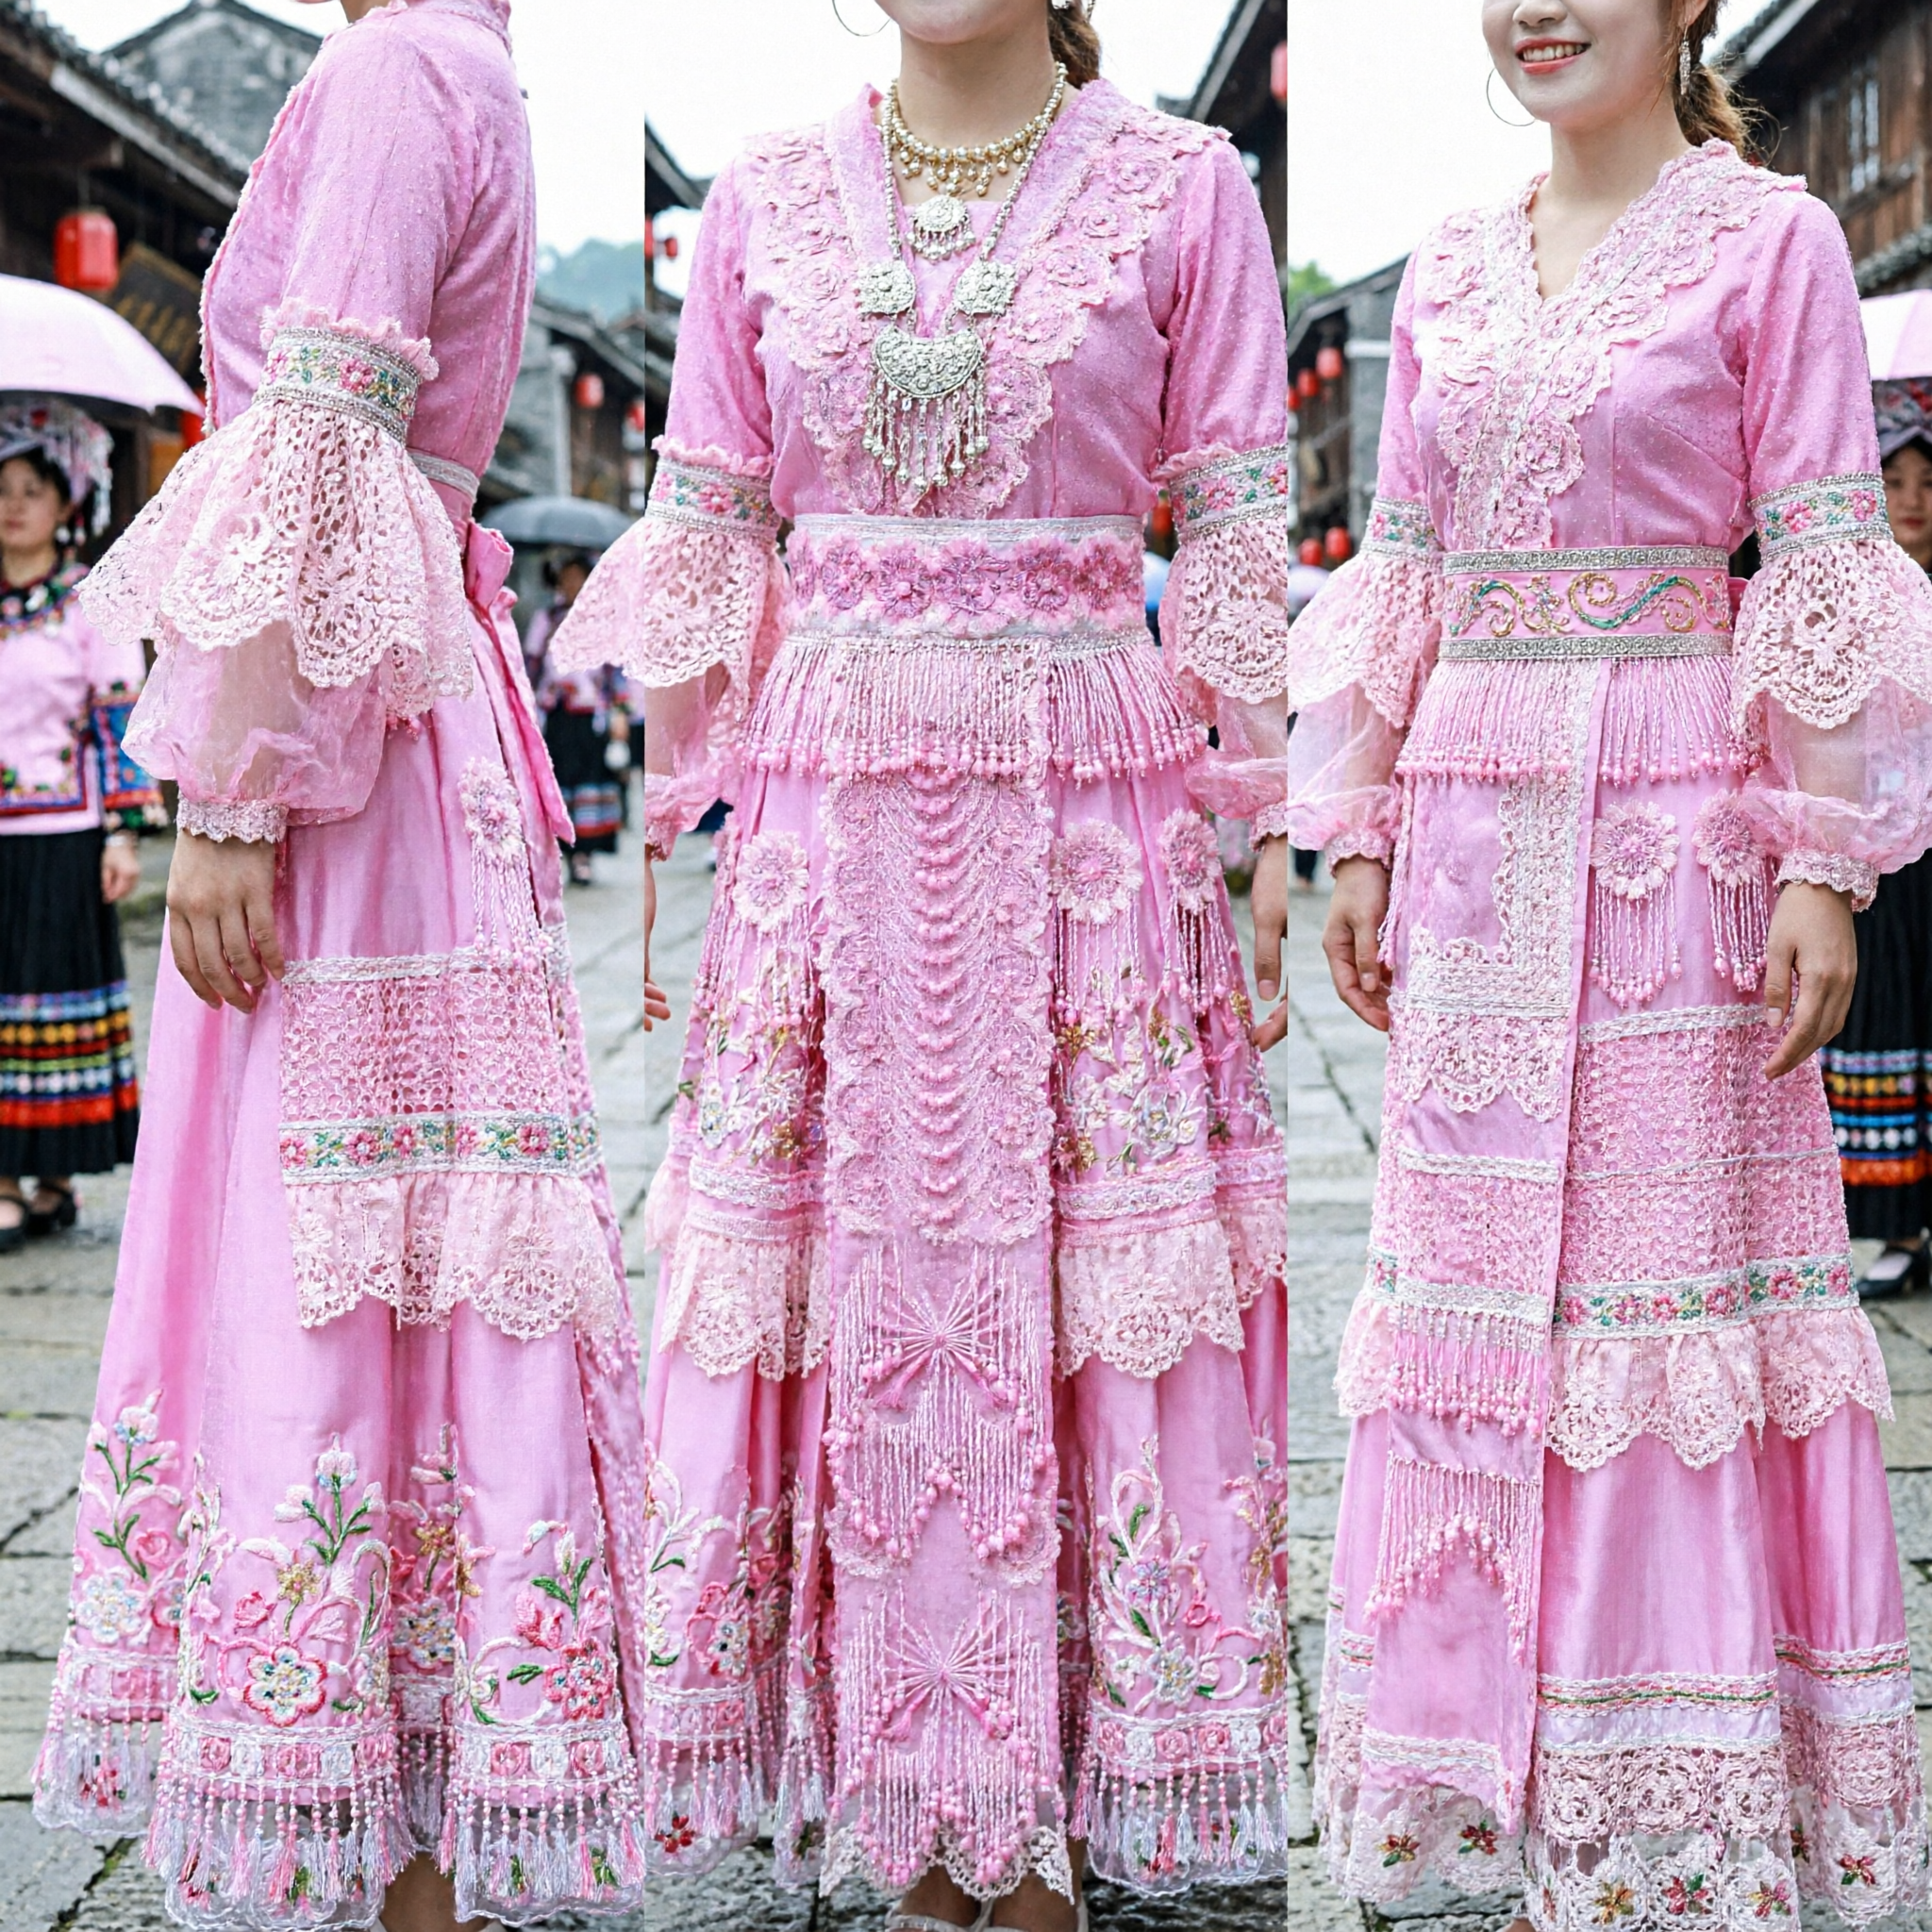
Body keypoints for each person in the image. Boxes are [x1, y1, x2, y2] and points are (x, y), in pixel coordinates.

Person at [554, 1, 1290, 1926]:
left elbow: (1226, 520)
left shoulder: (1185, 191)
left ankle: (1043, 1812)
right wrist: (689, 776)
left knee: (1090, 1289)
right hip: (831, 845)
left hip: (1089, 827)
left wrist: (1274, 818)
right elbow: (707, 514)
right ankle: (896, 1799)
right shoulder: (758, 205)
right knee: (835, 1278)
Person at [1287, 2, 1932, 1927]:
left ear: (1682, 7)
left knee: (1671, 1312)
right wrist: (1362, 819)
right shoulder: (1454, 274)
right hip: (1478, 843)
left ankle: (1679, 1805)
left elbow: (1818, 535)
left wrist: (1825, 859)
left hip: (1679, 839)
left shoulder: (1771, 240)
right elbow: (1398, 549)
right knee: (1481, 1313)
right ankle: (1474, 1776)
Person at [28, 5, 656, 1930]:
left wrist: (229, 785)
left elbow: (325, 424)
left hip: (344, 753)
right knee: (417, 1274)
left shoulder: (395, 71)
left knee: (327, 1266)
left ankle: (385, 1847)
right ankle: (416, 1844)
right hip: (422, 722)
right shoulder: (471, 69)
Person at [0, 402, 160, 1252]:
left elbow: (117, 724)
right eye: (0, 491)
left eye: (31, 490)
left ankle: (54, 1175)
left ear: (66, 504)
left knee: (52, 1002)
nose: (12, 507)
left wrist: (123, 833)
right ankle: (2, 1179)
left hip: (64, 835)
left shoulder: (90, 605)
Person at [1822, 379, 1932, 1295]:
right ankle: (1895, 1225)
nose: (1910, 499)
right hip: (1883, 850)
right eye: (1891, 480)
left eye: (1925, 480)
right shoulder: (1852, 604)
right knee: (1887, 1015)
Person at [525, 552, 629, 885]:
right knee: (557, 781)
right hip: (555, 716)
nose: (573, 584)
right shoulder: (547, 619)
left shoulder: (601, 621)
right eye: (567, 578)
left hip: (591, 718)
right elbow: (531, 665)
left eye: (579, 577)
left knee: (589, 781)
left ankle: (583, 855)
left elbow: (616, 672)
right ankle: (558, 854)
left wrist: (620, 711)